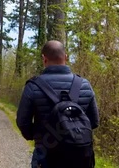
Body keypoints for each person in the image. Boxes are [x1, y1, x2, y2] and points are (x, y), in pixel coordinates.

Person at [16, 40, 99, 168]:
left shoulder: (33, 87)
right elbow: (94, 122)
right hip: (79, 156)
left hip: (46, 153)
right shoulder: (84, 85)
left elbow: (23, 122)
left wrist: (38, 136)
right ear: (66, 57)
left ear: (44, 59)